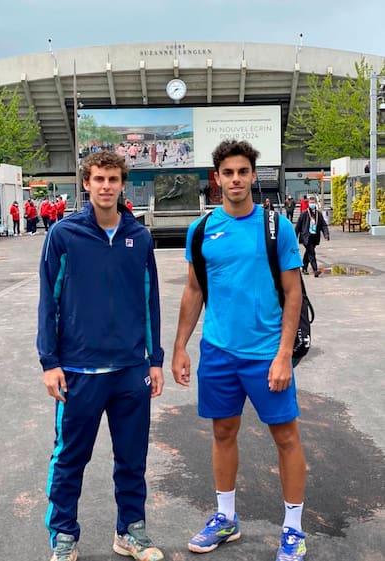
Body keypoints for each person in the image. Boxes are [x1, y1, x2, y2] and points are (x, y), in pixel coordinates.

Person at [172, 139, 307, 561]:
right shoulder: (201, 230)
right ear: (217, 178)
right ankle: (226, 518)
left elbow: (293, 293)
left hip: (266, 353)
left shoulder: (276, 227)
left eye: (242, 171)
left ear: (253, 175)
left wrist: (283, 353)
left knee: (285, 437)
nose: (235, 179)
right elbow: (194, 290)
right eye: (227, 172)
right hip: (218, 353)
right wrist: (179, 347)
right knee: (222, 432)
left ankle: (293, 529)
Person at [37, 150, 164, 561]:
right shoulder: (64, 234)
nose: (106, 186)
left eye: (113, 179)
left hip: (130, 370)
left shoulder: (140, 237)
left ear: (123, 184)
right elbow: (48, 301)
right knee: (70, 458)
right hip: (78, 369)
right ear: (86, 184)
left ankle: (130, 531)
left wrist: (155, 359)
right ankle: (63, 536)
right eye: (98, 179)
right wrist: (49, 361)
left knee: (133, 459)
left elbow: (150, 301)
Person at [295, 194, 330, 277]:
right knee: (311, 253)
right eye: (311, 202)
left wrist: (326, 234)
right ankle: (315, 270)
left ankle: (304, 268)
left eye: (313, 202)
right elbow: (298, 226)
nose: (312, 204)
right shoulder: (304, 214)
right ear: (308, 203)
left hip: (315, 237)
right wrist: (294, 237)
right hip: (306, 237)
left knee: (308, 252)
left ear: (316, 203)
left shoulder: (318, 214)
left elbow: (323, 225)